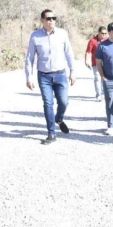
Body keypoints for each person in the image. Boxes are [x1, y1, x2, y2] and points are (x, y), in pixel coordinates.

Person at [25, 9, 76, 145]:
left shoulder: (62, 34)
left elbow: (69, 54)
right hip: (44, 76)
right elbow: (30, 58)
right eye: (48, 18)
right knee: (48, 104)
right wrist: (28, 77)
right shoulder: (35, 36)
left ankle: (59, 118)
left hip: (60, 74)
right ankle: (51, 133)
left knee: (64, 102)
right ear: (42, 20)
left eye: (54, 18)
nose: (51, 21)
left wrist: (73, 71)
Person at [85, 26, 108, 101]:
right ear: (98, 32)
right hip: (96, 63)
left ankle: (104, 93)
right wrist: (86, 61)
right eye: (102, 33)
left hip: (106, 63)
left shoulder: (107, 40)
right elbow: (88, 51)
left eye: (105, 33)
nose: (104, 35)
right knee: (97, 78)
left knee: (104, 78)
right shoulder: (92, 41)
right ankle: (98, 94)